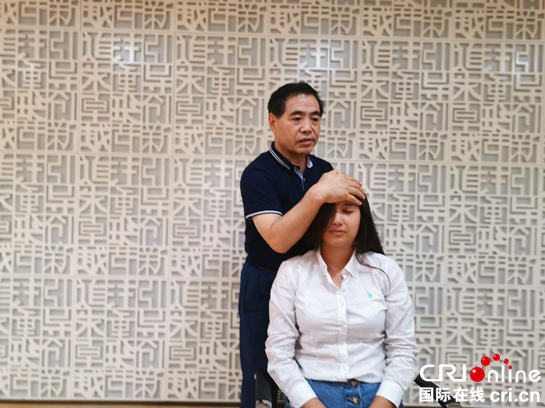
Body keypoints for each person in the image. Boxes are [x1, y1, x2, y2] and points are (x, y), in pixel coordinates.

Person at [239, 82, 366, 408]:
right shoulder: (257, 174)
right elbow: (278, 240)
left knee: (312, 371)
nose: (308, 127)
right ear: (273, 121)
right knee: (262, 374)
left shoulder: (324, 171)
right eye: (297, 118)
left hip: (314, 282)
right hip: (266, 281)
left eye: (315, 118)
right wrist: (318, 194)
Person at [265, 198, 419, 408]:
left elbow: (403, 349)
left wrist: (382, 403)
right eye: (328, 212)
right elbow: (279, 353)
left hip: (377, 396)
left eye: (347, 211)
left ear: (361, 218)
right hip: (312, 396)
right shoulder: (292, 272)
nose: (337, 220)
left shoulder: (385, 271)